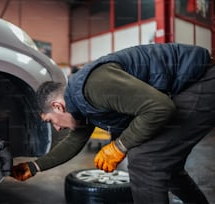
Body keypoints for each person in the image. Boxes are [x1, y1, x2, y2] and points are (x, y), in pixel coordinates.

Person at [11, 43, 215, 204]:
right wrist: (35, 166)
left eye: (50, 121)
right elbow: (74, 141)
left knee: (145, 159)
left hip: (201, 80)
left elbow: (160, 108)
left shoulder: (93, 86)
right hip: (187, 87)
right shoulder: (80, 104)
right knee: (166, 166)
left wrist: (119, 146)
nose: (56, 128)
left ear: (57, 106)